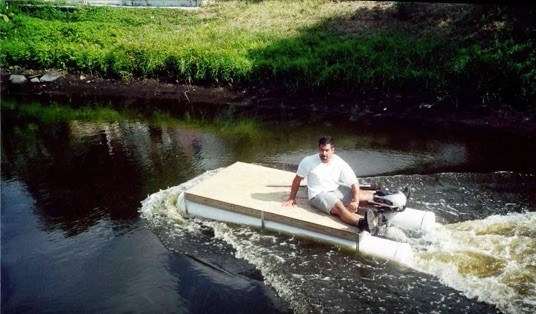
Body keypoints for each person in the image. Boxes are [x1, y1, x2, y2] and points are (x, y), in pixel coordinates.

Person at [282, 136, 376, 230]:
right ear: (318, 148)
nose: (324, 153)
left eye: (327, 150)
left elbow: (354, 182)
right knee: (339, 206)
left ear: (332, 150)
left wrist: (355, 201)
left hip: (336, 188)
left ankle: (383, 209)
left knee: (362, 196)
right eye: (321, 150)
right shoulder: (308, 161)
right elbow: (297, 180)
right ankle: (361, 223)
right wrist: (291, 198)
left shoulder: (339, 162)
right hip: (318, 194)